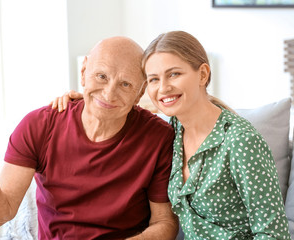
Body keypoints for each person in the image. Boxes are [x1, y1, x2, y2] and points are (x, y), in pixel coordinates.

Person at [54, 31, 291, 239]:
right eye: (154, 79)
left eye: (174, 74)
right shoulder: (172, 130)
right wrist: (84, 100)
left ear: (202, 74)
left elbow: (273, 233)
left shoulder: (240, 140)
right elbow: (120, 102)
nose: (163, 88)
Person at [0, 36, 179, 240]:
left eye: (125, 84)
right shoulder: (39, 125)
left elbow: (165, 223)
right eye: (101, 76)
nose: (109, 93)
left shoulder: (159, 138)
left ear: (140, 93)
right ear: (83, 73)